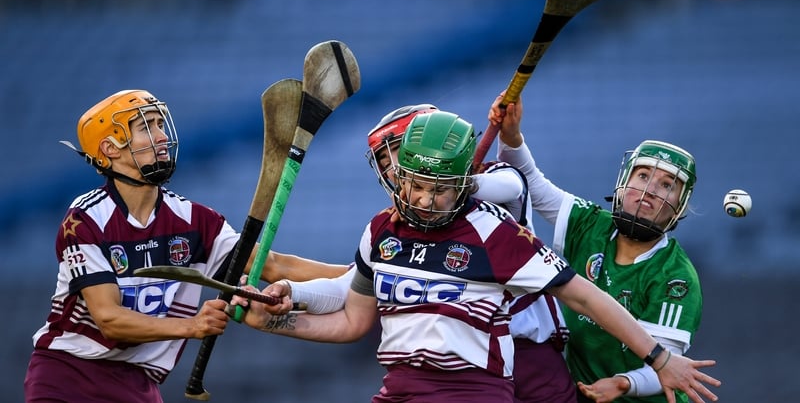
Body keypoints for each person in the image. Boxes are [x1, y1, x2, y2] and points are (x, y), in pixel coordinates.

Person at [234, 111, 720, 403]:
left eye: (438, 184)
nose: (424, 197)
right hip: (401, 386)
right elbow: (353, 304)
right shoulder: (383, 229)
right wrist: (282, 304)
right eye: (409, 178)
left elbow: (519, 188)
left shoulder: (493, 223)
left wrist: (656, 361)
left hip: (511, 368)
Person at [266, 103, 575, 402]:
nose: (392, 172)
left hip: (530, 352)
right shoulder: (402, 225)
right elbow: (353, 287)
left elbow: (513, 186)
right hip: (462, 365)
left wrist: (457, 183)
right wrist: (289, 291)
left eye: (396, 154)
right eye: (384, 163)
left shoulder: (492, 179)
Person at [23, 89, 272, 402]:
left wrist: (336, 278)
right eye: (147, 127)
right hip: (69, 377)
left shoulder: (193, 219)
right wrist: (194, 325)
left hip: (138, 383)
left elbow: (273, 264)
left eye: (160, 125)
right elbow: (109, 320)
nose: (162, 136)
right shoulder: (86, 219)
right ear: (110, 148)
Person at [487, 94, 707, 403]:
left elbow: (667, 368)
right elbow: (531, 184)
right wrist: (511, 137)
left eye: (667, 185)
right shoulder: (591, 224)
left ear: (679, 207)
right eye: (643, 176)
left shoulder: (676, 277)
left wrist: (623, 383)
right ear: (624, 182)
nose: (648, 191)